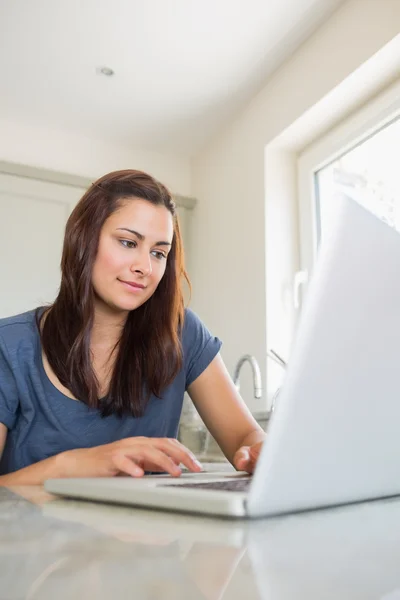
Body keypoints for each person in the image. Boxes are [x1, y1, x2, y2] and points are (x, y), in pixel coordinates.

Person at [0, 169, 265, 485]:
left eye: (158, 252)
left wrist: (259, 450)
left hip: (147, 535)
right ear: (83, 239)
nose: (145, 267)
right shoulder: (10, 345)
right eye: (128, 242)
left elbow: (245, 436)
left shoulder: (183, 333)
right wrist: (71, 465)